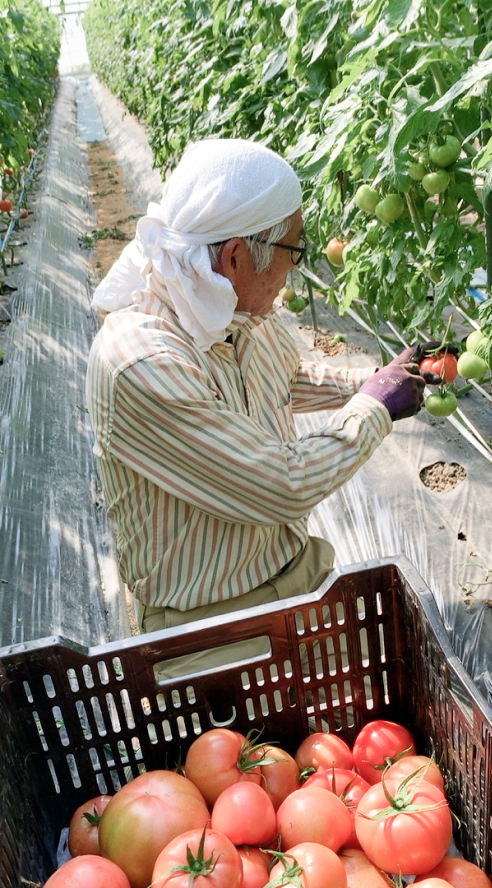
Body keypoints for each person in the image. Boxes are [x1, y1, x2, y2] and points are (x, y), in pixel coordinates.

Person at [86, 138, 438, 679]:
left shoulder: (232, 310)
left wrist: (372, 378)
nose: (294, 271)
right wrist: (374, 408)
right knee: (249, 759)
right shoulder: (140, 362)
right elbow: (282, 485)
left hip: (301, 578)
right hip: (213, 631)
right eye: (292, 253)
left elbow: (284, 378)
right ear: (235, 255)